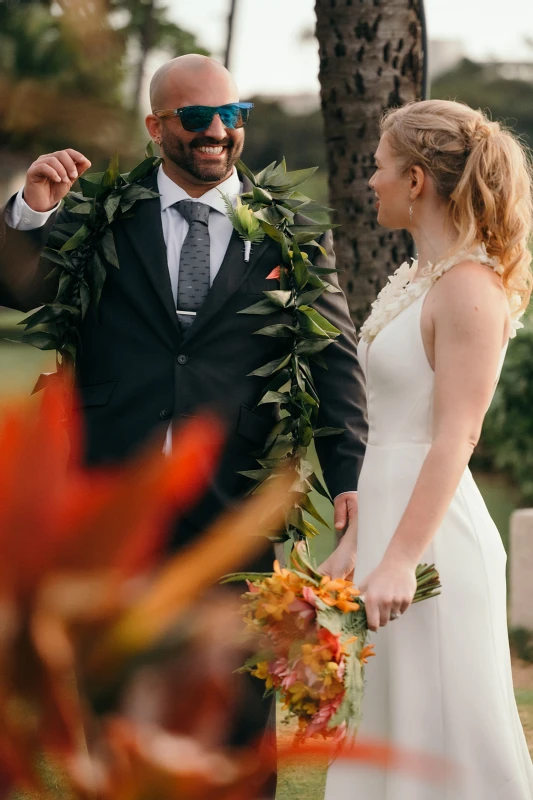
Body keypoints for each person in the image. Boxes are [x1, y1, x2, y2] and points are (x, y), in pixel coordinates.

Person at [0, 55, 367, 795]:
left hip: (233, 499)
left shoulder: (288, 230)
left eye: (231, 115)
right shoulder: (101, 211)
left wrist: (351, 476)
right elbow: (15, 290)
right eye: (195, 118)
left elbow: (332, 357)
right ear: (155, 126)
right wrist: (33, 211)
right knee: (113, 694)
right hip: (117, 490)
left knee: (234, 701)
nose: (215, 133)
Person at [324, 98, 533, 799]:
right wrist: (355, 549)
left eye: (377, 168)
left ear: (415, 179)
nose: (369, 181)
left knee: (441, 746)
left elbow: (455, 435)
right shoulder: (417, 278)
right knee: (386, 735)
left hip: (431, 546)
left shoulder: (469, 289)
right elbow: (387, 422)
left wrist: (401, 560)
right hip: (388, 529)